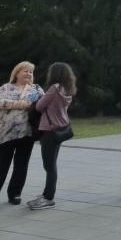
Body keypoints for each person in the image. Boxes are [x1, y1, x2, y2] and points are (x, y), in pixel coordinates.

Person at [0, 62, 44, 210]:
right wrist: (20, 104)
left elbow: (45, 104)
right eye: (25, 71)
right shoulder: (6, 87)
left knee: (21, 166)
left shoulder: (37, 89)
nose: (28, 74)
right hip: (5, 134)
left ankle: (14, 194)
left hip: (27, 133)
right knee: (0, 166)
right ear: (16, 73)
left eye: (31, 72)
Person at [29, 62, 76, 210]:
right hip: (60, 129)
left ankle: (49, 198)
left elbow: (39, 106)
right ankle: (46, 194)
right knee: (51, 164)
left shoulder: (54, 88)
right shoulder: (68, 89)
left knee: (49, 165)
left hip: (49, 130)